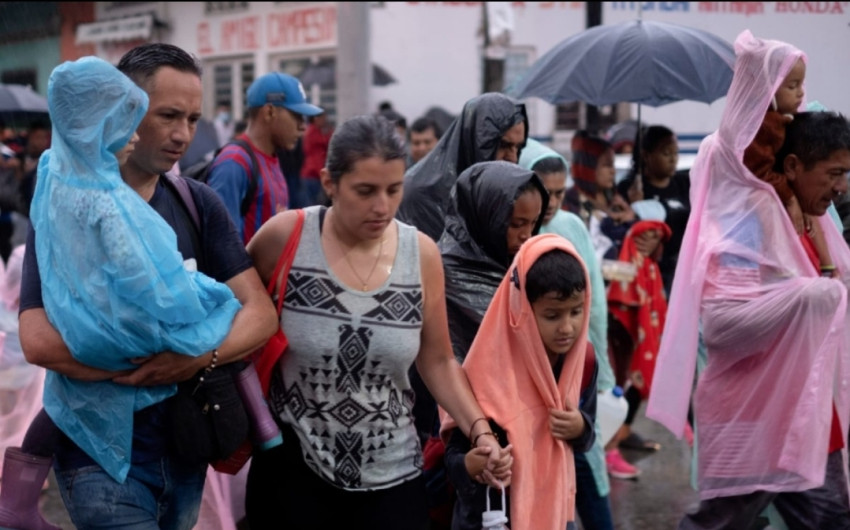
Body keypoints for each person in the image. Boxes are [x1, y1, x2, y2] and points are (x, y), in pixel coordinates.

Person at [14, 45, 279, 530]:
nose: (183, 135)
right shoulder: (65, 206)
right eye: (168, 115)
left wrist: (196, 358)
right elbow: (35, 337)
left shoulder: (198, 203)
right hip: (97, 452)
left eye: (194, 119)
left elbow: (259, 313)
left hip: (185, 447)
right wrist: (143, 365)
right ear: (124, 111)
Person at [243, 114, 512, 530]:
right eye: (365, 191)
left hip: (393, 478)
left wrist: (481, 432)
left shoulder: (420, 255)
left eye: (393, 189)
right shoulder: (285, 238)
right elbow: (233, 313)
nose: (382, 206)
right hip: (291, 476)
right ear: (330, 182)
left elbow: (438, 360)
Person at [647, 26, 850, 529]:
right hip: (757, 418)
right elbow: (723, 324)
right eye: (833, 174)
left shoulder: (812, 216)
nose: (842, 188)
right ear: (795, 165)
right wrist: (810, 297)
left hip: (806, 418)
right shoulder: (746, 220)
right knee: (721, 522)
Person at [442, 234, 596, 530]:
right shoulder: (488, 368)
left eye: (577, 312)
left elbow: (587, 430)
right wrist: (470, 465)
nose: (567, 327)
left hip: (555, 515)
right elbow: (454, 456)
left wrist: (580, 427)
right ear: (521, 310)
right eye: (552, 315)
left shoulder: (582, 362)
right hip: (490, 519)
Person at [519, 138, 616, 530]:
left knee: (588, 468)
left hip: (577, 374)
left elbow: (596, 306)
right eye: (546, 192)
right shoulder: (514, 231)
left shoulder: (571, 226)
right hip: (532, 385)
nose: (554, 201)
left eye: (561, 192)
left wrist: (603, 371)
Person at [206, 71, 323, 243]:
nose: (302, 126)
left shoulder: (272, 158)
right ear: (269, 112)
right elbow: (221, 247)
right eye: (296, 116)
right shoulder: (234, 163)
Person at [396, 92, 528, 242]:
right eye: (504, 145)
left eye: (518, 147)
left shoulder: (507, 191)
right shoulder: (420, 192)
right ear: (480, 142)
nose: (513, 158)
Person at [617, 125, 691, 297]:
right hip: (649, 275)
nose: (673, 159)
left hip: (683, 270)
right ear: (646, 155)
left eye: (675, 153)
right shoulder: (630, 189)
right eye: (666, 153)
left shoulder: (684, 184)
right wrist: (638, 206)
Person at [565, 131, 637, 263]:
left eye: (613, 165)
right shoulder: (570, 203)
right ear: (587, 167)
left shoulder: (617, 201)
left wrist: (631, 217)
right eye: (606, 165)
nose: (613, 171)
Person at [300, 110, 333, 206]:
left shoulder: (317, 132)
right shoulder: (311, 132)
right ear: (315, 118)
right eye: (322, 118)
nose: (324, 120)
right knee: (313, 203)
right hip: (312, 173)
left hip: (315, 174)